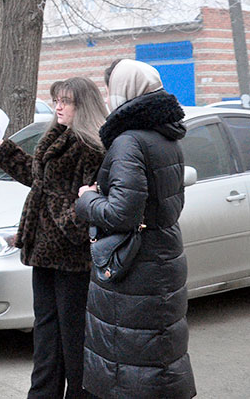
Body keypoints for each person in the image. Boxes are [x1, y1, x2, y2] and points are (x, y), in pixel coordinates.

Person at [76, 59, 196, 398]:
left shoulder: (129, 141)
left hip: (136, 269)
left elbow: (122, 213)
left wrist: (86, 200)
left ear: (123, 91)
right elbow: (167, 203)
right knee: (158, 356)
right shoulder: (166, 136)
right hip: (163, 257)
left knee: (130, 364)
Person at [0, 77, 107, 398]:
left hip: (73, 257)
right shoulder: (57, 136)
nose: (58, 106)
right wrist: (5, 152)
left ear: (82, 106)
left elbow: (89, 204)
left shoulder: (94, 147)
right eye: (56, 99)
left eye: (66, 101)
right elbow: (40, 179)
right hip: (43, 252)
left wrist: (60, 211)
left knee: (74, 338)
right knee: (45, 334)